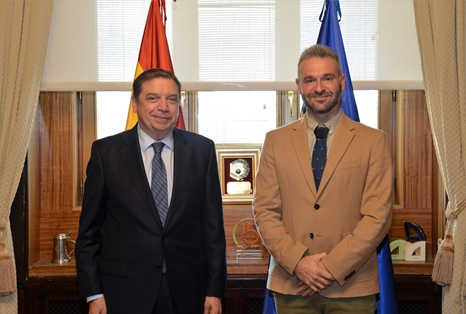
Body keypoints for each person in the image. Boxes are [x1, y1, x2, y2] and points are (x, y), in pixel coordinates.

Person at [252, 44, 393, 313]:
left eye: (327, 78)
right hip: (292, 284)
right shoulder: (274, 141)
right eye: (310, 80)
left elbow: (378, 216)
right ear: (299, 85)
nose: (319, 88)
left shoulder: (373, 141)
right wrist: (299, 264)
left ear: (341, 81)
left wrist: (329, 268)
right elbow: (264, 211)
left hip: (352, 286)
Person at [76, 68, 227, 314]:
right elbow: (89, 234)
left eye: (172, 98)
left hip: (190, 291)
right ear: (135, 103)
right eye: (153, 98)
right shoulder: (106, 153)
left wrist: (215, 290)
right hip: (123, 293)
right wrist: (94, 294)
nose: (164, 107)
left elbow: (213, 229)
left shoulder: (203, 150)